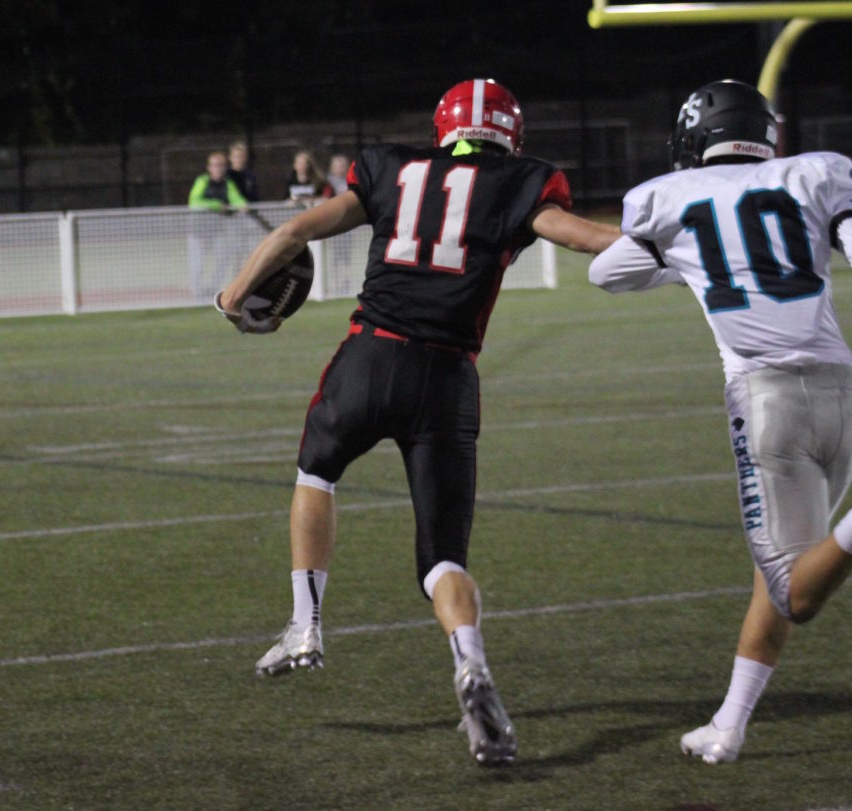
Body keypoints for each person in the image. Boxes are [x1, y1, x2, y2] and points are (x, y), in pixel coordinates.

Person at [216, 78, 620, 765]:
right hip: (449, 379)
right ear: (509, 135)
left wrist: (230, 298)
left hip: (372, 356)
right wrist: (678, 249)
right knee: (442, 559)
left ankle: (306, 624)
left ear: (444, 126)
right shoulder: (522, 182)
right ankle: (470, 663)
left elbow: (290, 230)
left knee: (317, 469)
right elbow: (584, 240)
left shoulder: (391, 168)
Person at [588, 79, 852, 764]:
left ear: (695, 138)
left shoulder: (668, 196)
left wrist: (681, 264)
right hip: (844, 393)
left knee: (793, 586)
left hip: (767, 401)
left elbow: (606, 274)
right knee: (782, 570)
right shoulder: (814, 174)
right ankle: (730, 722)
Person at [187, 151, 248, 299]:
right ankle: (197, 292)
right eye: (215, 165)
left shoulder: (228, 183)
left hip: (218, 231)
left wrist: (243, 205)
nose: (218, 168)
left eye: (221, 165)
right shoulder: (202, 181)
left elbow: (237, 199)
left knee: (224, 257)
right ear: (209, 167)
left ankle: (213, 287)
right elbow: (194, 202)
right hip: (198, 231)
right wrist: (216, 205)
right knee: (198, 263)